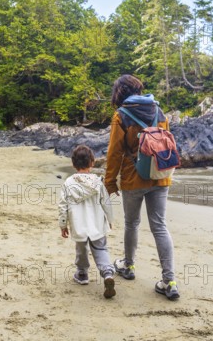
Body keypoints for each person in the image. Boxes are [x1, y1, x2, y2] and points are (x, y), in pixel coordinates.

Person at [104, 74, 180, 300]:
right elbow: (166, 142)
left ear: (119, 92)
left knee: (131, 223)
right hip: (160, 175)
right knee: (159, 226)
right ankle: (169, 281)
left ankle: (128, 266)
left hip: (133, 177)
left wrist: (109, 181)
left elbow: (114, 152)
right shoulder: (159, 111)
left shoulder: (121, 115)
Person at [58, 145, 116, 299]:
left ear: (73, 164)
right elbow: (106, 203)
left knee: (81, 249)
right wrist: (109, 220)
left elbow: (62, 206)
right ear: (92, 162)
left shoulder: (68, 183)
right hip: (97, 224)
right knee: (101, 249)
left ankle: (82, 274)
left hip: (79, 225)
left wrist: (63, 224)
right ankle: (108, 273)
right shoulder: (98, 182)